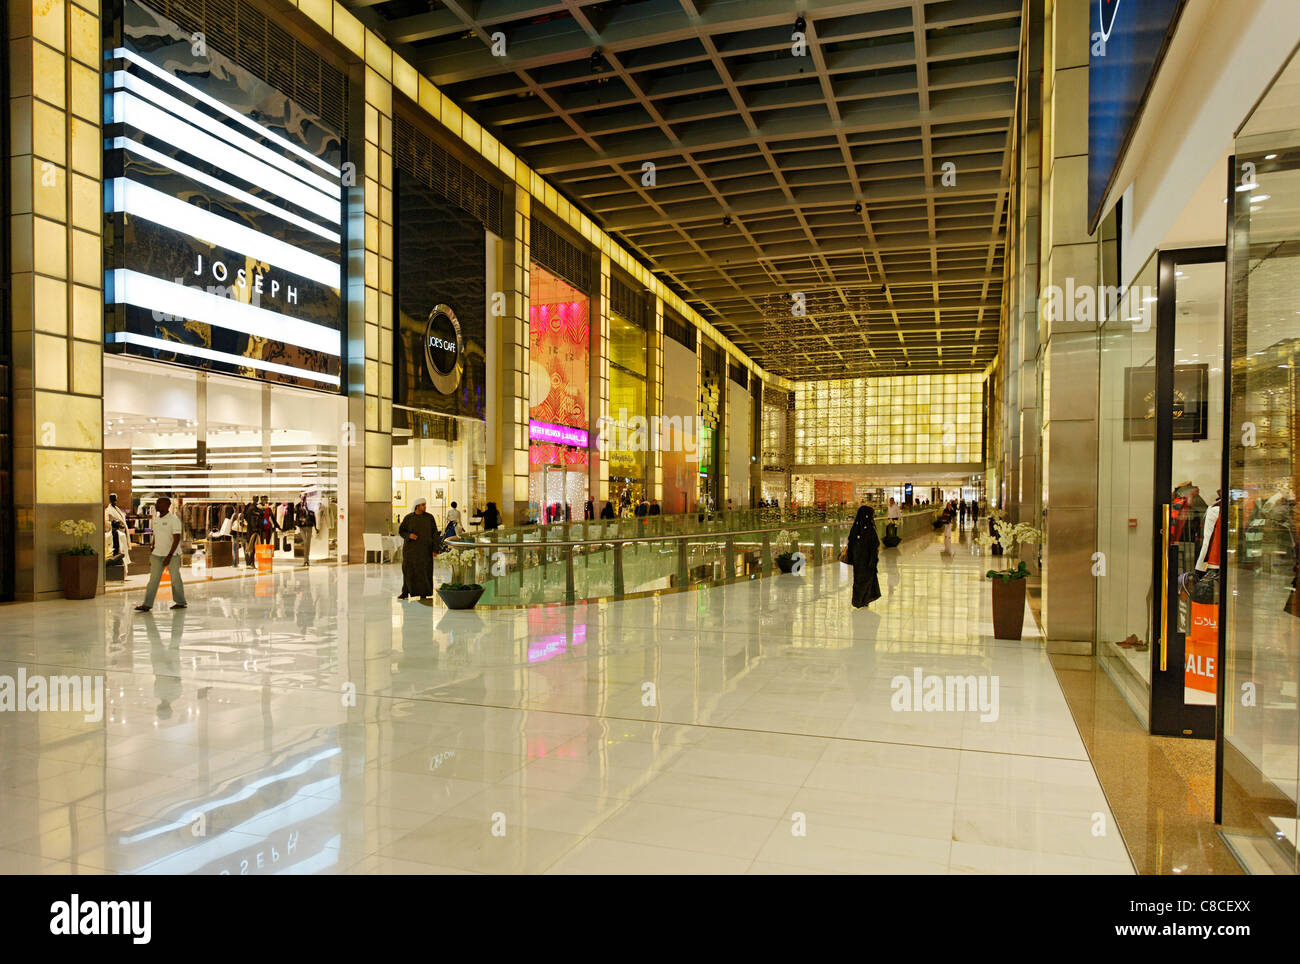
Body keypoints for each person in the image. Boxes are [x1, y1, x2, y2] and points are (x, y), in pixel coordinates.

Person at [135, 496, 187, 612]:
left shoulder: (174, 519)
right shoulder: (157, 519)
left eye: (159, 503)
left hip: (172, 555)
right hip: (157, 555)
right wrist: (152, 547)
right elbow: (156, 535)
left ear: (167, 505)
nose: (156, 505)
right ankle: (147, 604)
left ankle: (180, 602)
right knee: (153, 580)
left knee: (175, 579)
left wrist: (169, 555)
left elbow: (177, 539)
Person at [397, 498, 438, 600]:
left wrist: (435, 549)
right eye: (423, 505)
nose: (425, 507)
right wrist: (409, 535)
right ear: (417, 506)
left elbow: (435, 534)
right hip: (410, 551)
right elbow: (401, 531)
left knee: (424, 571)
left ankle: (423, 593)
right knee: (408, 570)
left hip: (425, 550)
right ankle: (405, 592)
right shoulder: (408, 518)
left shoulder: (429, 518)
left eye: (425, 505)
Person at [846, 505, 881, 609]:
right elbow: (874, 545)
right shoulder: (870, 529)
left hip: (858, 561)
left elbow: (850, 542)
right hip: (868, 560)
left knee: (858, 580)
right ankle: (864, 599)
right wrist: (873, 561)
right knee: (867, 580)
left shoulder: (856, 528)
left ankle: (858, 600)